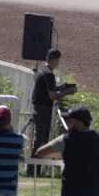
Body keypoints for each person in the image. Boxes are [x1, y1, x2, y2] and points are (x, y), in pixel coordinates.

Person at [29, 48, 73, 176]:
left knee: (40, 139)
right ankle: (34, 170)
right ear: (55, 60)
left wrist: (62, 87)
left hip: (40, 108)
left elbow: (50, 90)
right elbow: (52, 96)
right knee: (41, 140)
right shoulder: (49, 74)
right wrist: (67, 92)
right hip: (43, 110)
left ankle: (33, 169)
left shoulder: (43, 71)